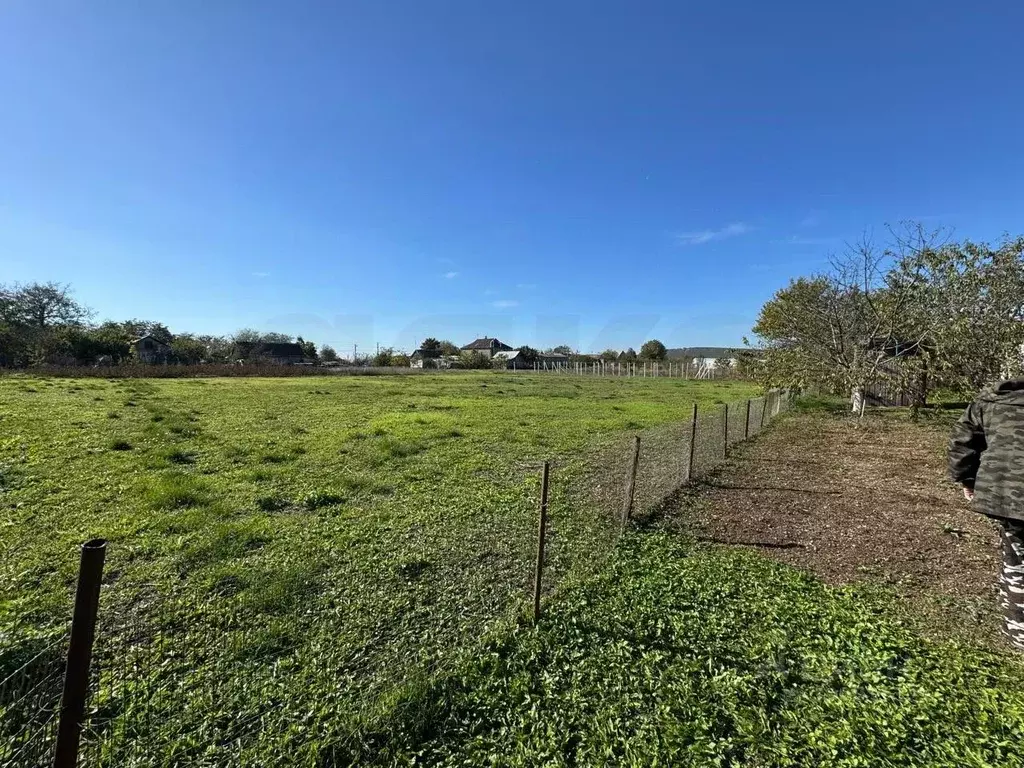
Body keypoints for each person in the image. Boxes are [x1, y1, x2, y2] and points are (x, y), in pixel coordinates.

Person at [948, 378, 1024, 650]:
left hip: (1008, 496)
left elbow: (963, 442)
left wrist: (966, 480)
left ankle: (1018, 630)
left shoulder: (992, 400)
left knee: (1016, 558)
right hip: (1011, 497)